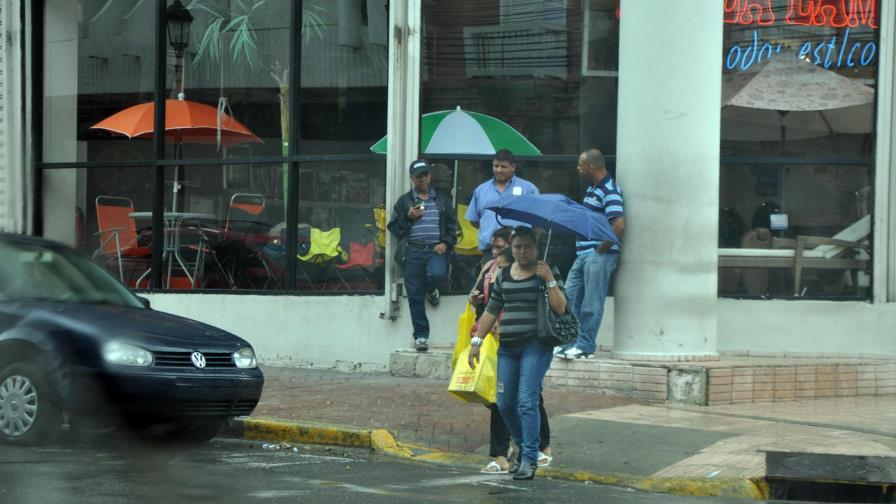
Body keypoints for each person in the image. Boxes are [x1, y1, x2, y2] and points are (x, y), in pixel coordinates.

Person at [469, 226, 566, 480]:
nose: (522, 251)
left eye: (527, 247)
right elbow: (491, 310)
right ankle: (525, 447)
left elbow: (560, 307)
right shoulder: (504, 275)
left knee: (526, 400)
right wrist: (476, 341)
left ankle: (530, 460)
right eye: (518, 247)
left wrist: (549, 280)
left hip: (536, 345)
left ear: (535, 247)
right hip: (508, 348)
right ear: (512, 249)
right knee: (504, 402)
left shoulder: (546, 270)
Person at [557, 148, 625, 360]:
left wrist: (599, 251)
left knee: (591, 303)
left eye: (580, 164)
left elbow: (619, 225)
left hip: (599, 255)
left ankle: (585, 345)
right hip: (584, 254)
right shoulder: (592, 188)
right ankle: (570, 343)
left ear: (592, 166)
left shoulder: (610, 191)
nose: (578, 168)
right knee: (569, 296)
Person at [387, 159, 458, 352]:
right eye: (419, 176)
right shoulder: (405, 201)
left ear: (430, 176)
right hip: (413, 250)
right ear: (412, 179)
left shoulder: (441, 200)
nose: (424, 179)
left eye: (426, 175)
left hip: (435, 249)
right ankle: (421, 336)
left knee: (437, 275)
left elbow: (453, 227)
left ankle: (431, 288)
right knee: (414, 295)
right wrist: (408, 217)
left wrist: (445, 243)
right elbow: (394, 229)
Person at [465, 149, 539, 263]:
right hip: (491, 251)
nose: (499, 170)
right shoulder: (481, 190)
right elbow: (474, 221)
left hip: (521, 252)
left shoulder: (528, 189)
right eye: (496, 166)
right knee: (488, 281)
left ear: (513, 167)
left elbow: (537, 220)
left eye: (503, 167)